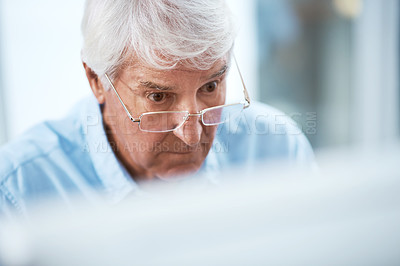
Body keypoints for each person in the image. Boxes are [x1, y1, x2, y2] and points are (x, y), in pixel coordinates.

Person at [0, 0, 314, 218]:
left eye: (210, 87)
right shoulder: (18, 192)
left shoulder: (275, 150)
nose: (192, 136)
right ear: (96, 79)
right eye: (159, 98)